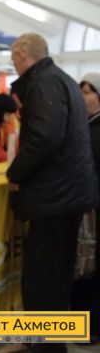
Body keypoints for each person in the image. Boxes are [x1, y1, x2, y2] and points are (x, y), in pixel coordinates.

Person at [7, 33, 97, 353]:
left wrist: (15, 173)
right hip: (67, 196)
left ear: (22, 54)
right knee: (56, 278)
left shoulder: (42, 83)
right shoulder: (64, 80)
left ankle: (44, 348)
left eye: (13, 60)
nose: (14, 66)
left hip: (53, 199)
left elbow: (44, 137)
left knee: (42, 280)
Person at [73, 72, 100, 344]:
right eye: (80, 91)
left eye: (88, 91)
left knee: (90, 270)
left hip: (93, 208)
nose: (82, 96)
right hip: (87, 206)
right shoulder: (86, 126)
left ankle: (90, 330)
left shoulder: (94, 130)